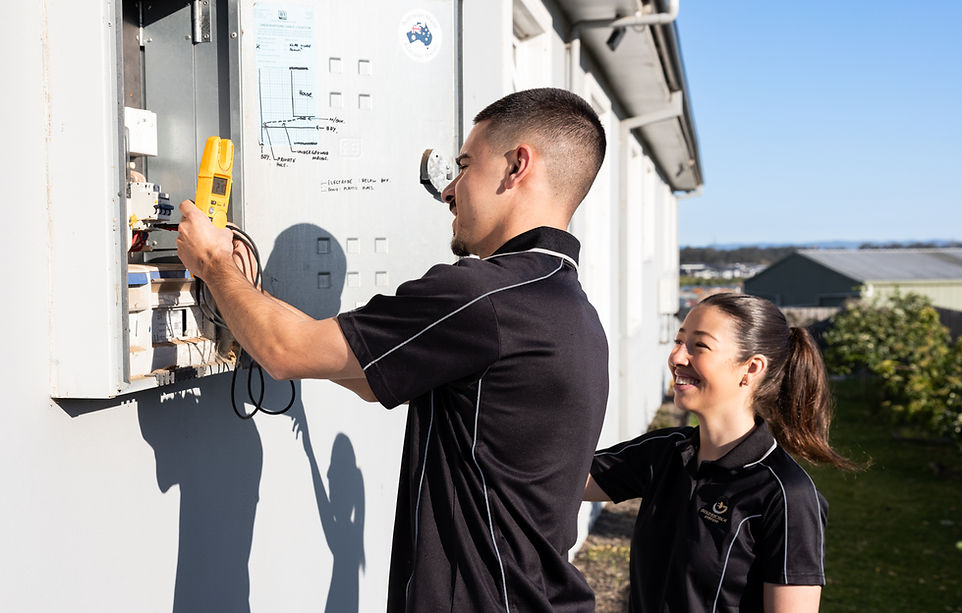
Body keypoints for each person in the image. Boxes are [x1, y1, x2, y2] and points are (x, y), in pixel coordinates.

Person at [177, 87, 610, 612]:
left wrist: (214, 264)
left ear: (517, 166)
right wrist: (248, 294)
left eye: (464, 166)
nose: (448, 190)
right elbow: (362, 372)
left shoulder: (482, 298)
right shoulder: (572, 311)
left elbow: (284, 352)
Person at [585, 293, 859, 613]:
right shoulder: (666, 452)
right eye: (678, 341)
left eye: (699, 346)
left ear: (751, 368)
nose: (676, 357)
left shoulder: (786, 495)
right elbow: (560, 481)